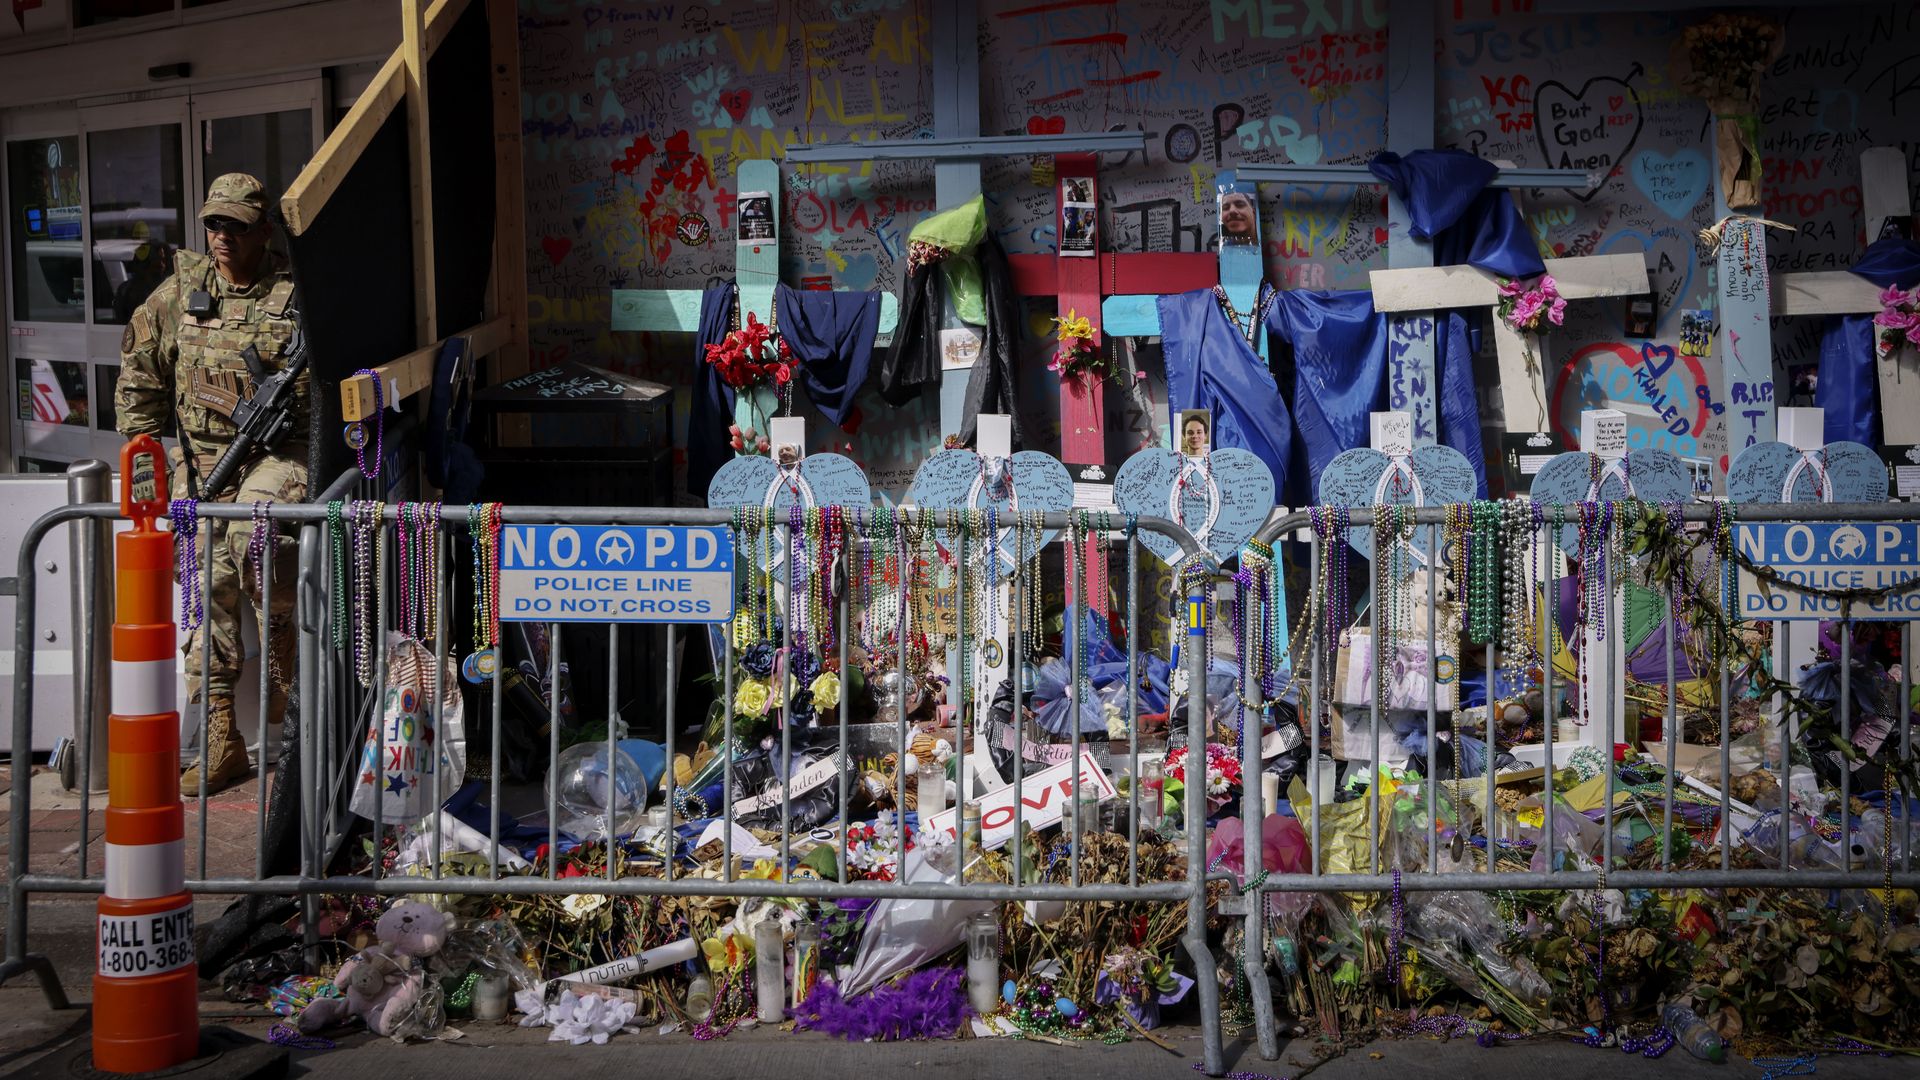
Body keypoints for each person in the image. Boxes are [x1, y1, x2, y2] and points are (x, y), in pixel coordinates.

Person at [116, 173, 309, 796]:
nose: (222, 237)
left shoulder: (297, 295)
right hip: (201, 463)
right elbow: (140, 379)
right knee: (204, 577)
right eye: (214, 225)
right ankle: (221, 733)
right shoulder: (179, 296)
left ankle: (287, 670)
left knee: (250, 533)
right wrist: (152, 453)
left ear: (264, 231)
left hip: (279, 458)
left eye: (236, 226)